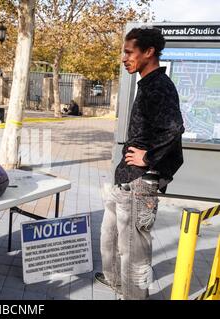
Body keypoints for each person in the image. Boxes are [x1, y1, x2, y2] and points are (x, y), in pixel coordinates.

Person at [94, 27, 185, 299]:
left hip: (140, 183)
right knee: (109, 238)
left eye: (128, 52)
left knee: (134, 250)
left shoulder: (159, 86)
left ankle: (134, 295)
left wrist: (148, 157)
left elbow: (173, 128)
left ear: (149, 52)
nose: (124, 58)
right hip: (125, 179)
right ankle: (115, 281)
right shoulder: (147, 83)